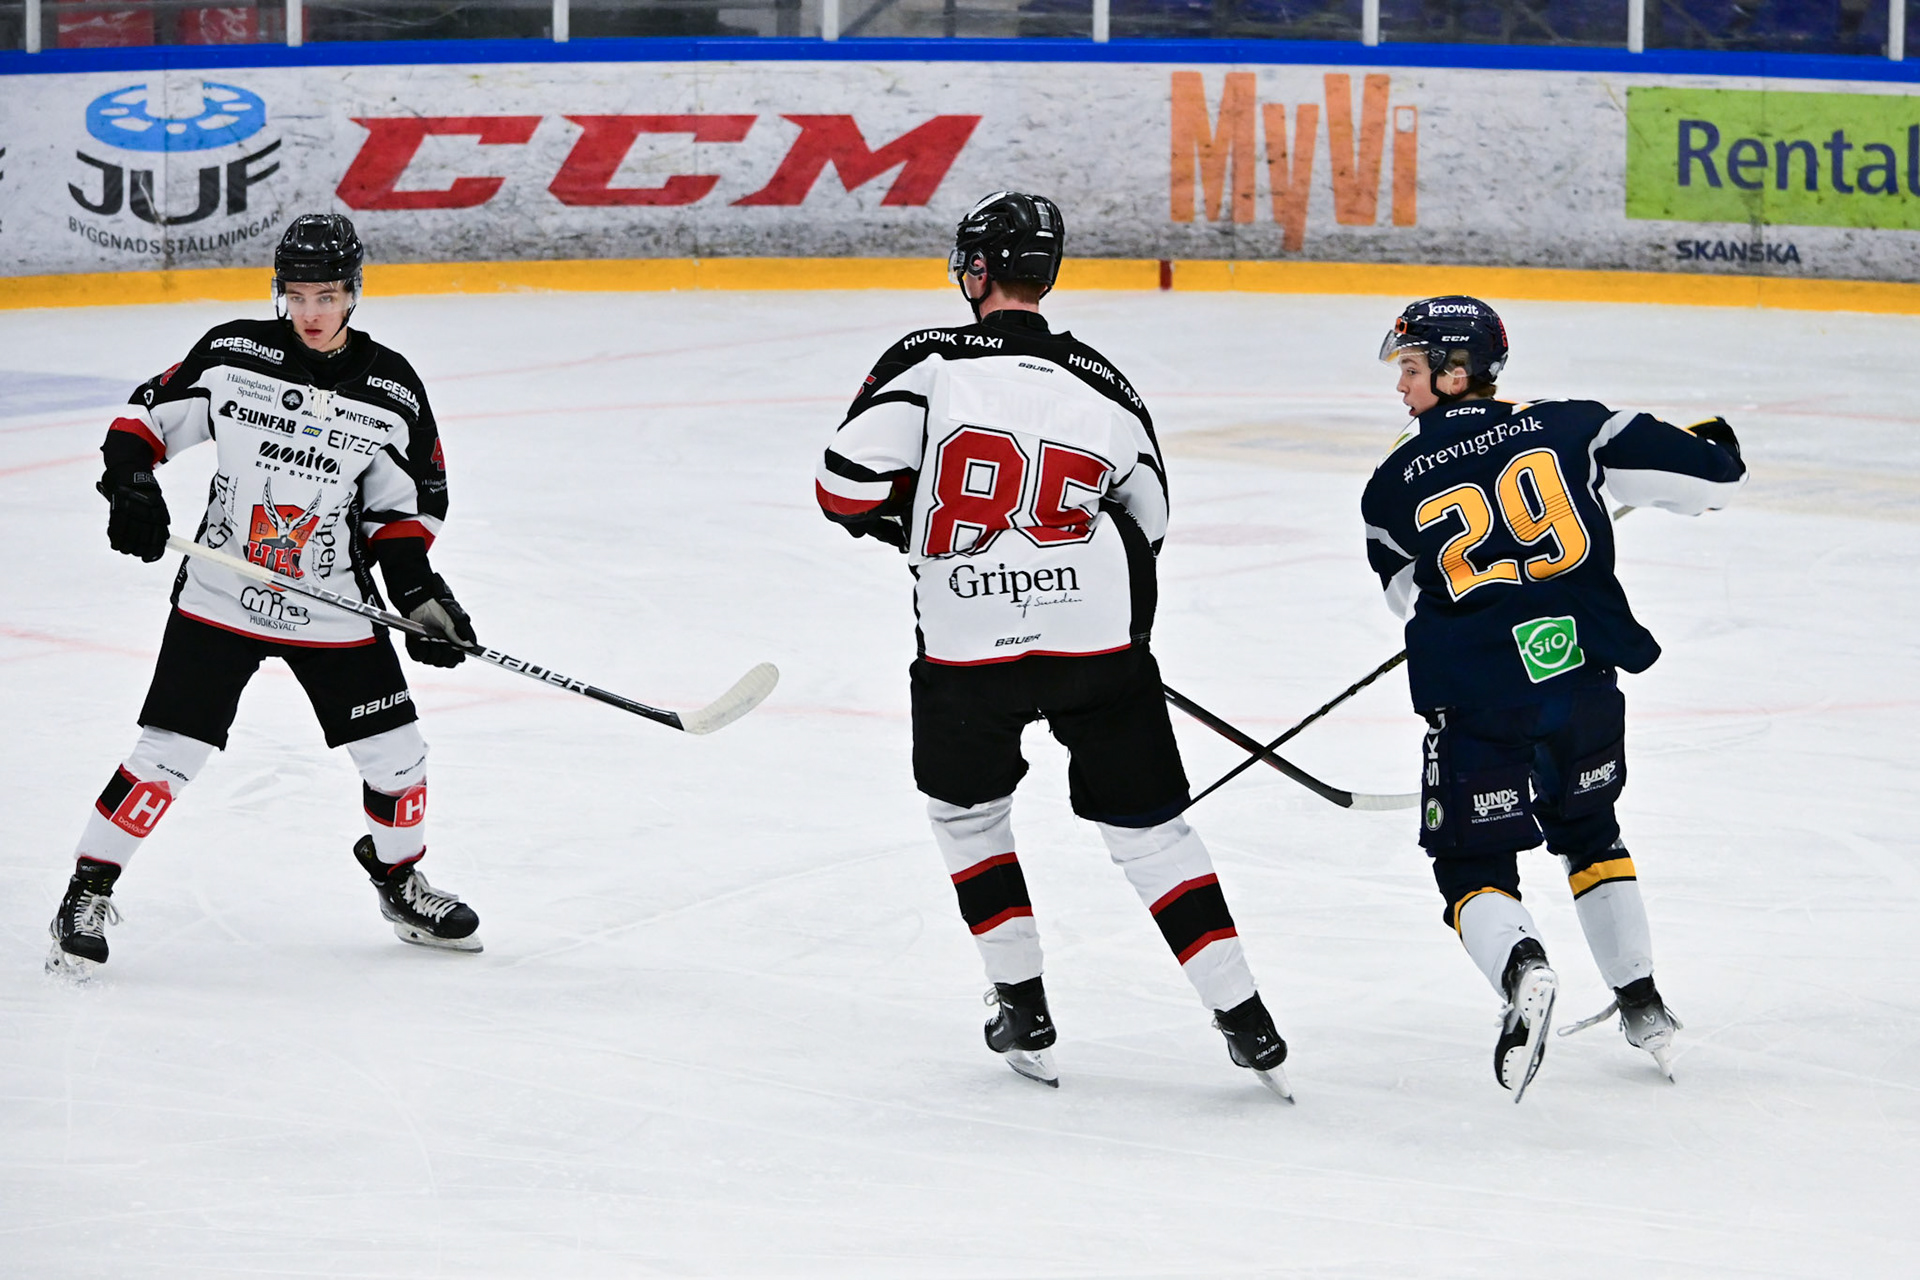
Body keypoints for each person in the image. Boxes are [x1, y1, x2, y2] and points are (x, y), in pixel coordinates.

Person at [815, 191, 1290, 1096]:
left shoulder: (928, 359)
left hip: (967, 641)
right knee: (1152, 833)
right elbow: (1149, 519)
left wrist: (924, 526)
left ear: (978, 269)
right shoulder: (1107, 382)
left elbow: (843, 485)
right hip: (1096, 643)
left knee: (968, 816)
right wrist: (1086, 601)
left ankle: (1022, 1004)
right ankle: (1246, 1018)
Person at [47, 213, 483, 978]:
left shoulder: (392, 389)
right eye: (297, 295)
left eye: (328, 296)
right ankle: (87, 891)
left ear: (354, 292)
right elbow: (143, 421)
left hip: (332, 607)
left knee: (398, 758)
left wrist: (418, 592)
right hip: (220, 595)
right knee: (167, 754)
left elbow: (401, 513)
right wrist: (131, 484)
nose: (311, 313)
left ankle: (399, 881)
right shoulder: (234, 354)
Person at [1360, 295, 1747, 1098]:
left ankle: (1523, 968)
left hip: (1479, 695)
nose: (1401, 385)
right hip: (1581, 683)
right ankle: (1643, 1004)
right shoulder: (1577, 426)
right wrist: (1718, 449)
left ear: (1455, 372)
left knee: (1471, 863)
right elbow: (1714, 483)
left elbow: (1407, 597)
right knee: (1592, 833)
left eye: (1411, 368)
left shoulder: (1391, 482)